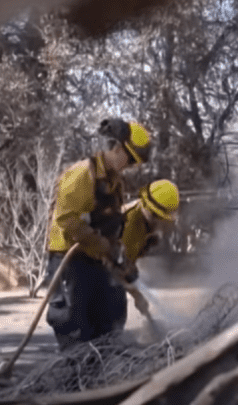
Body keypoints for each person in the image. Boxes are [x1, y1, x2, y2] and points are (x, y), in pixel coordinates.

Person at [45, 118, 151, 350]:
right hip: (70, 262)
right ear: (116, 147)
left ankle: (105, 375)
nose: (131, 165)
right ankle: (78, 382)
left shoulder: (115, 183)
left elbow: (111, 226)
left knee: (110, 323)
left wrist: (123, 263)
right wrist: (101, 243)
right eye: (131, 158)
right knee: (76, 332)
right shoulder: (82, 174)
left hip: (95, 261)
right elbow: (66, 220)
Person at [114, 179, 181, 285]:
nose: (165, 224)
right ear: (155, 214)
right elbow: (120, 267)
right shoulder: (133, 225)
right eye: (164, 219)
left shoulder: (142, 219)